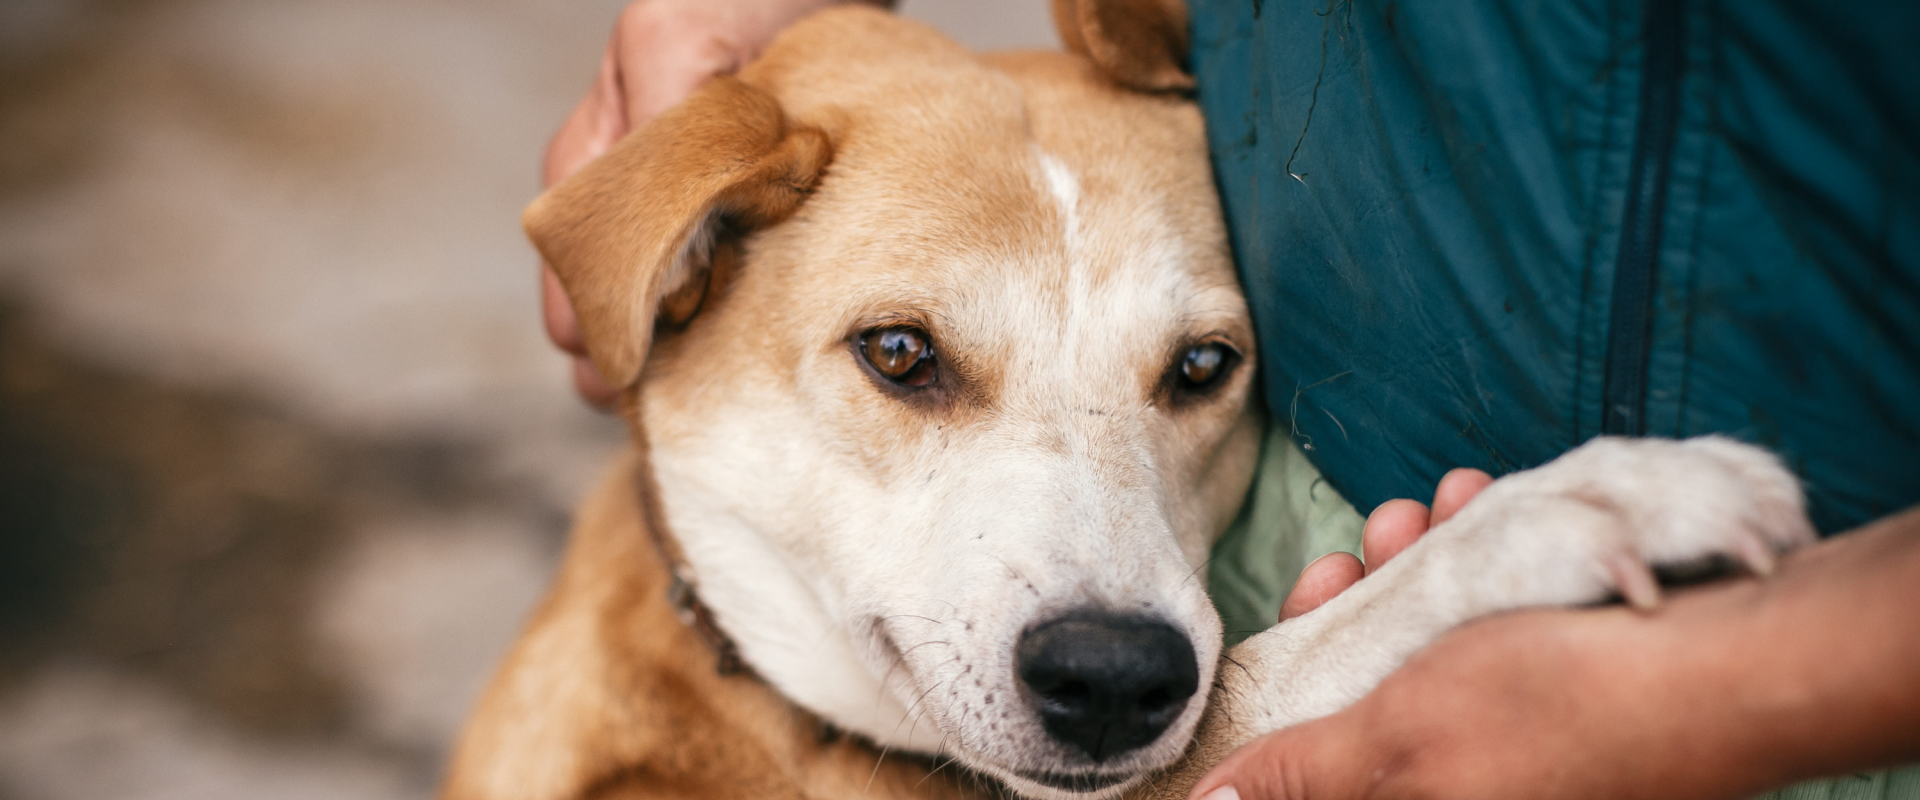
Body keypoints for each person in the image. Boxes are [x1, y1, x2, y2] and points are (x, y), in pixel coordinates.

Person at [534, 1, 1920, 798]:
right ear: (687, 267)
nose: (1098, 616)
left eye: (1190, 368)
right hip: (1343, 563)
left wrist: (1752, 683)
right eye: (908, 360)